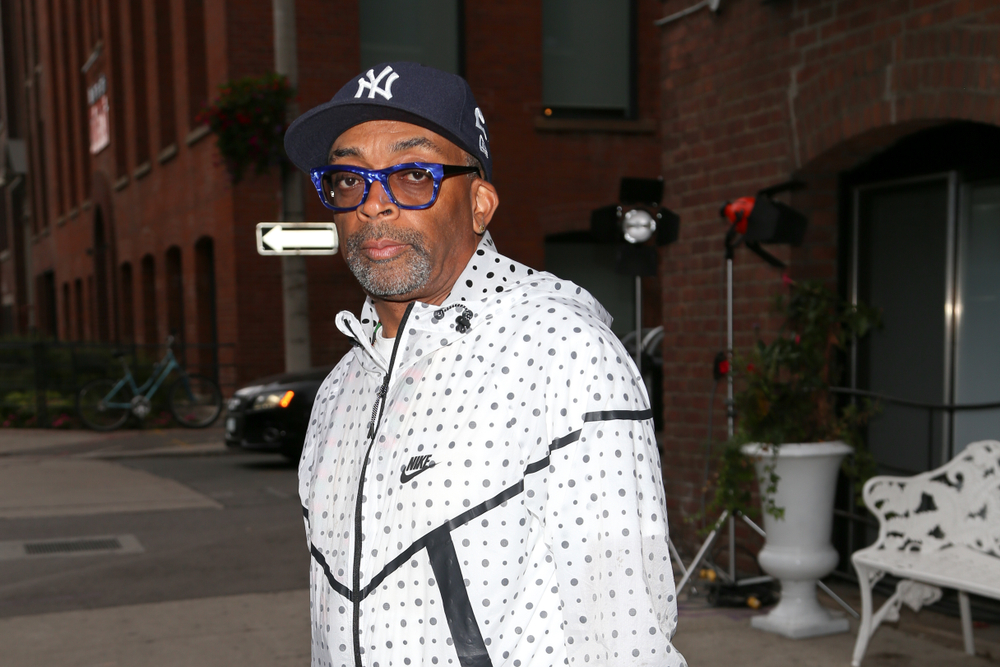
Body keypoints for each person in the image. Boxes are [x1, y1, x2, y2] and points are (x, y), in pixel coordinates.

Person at [284, 61, 685, 667]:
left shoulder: (563, 352)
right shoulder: (343, 385)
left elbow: (626, 633)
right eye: (347, 179)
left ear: (479, 203)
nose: (372, 205)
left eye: (413, 174)